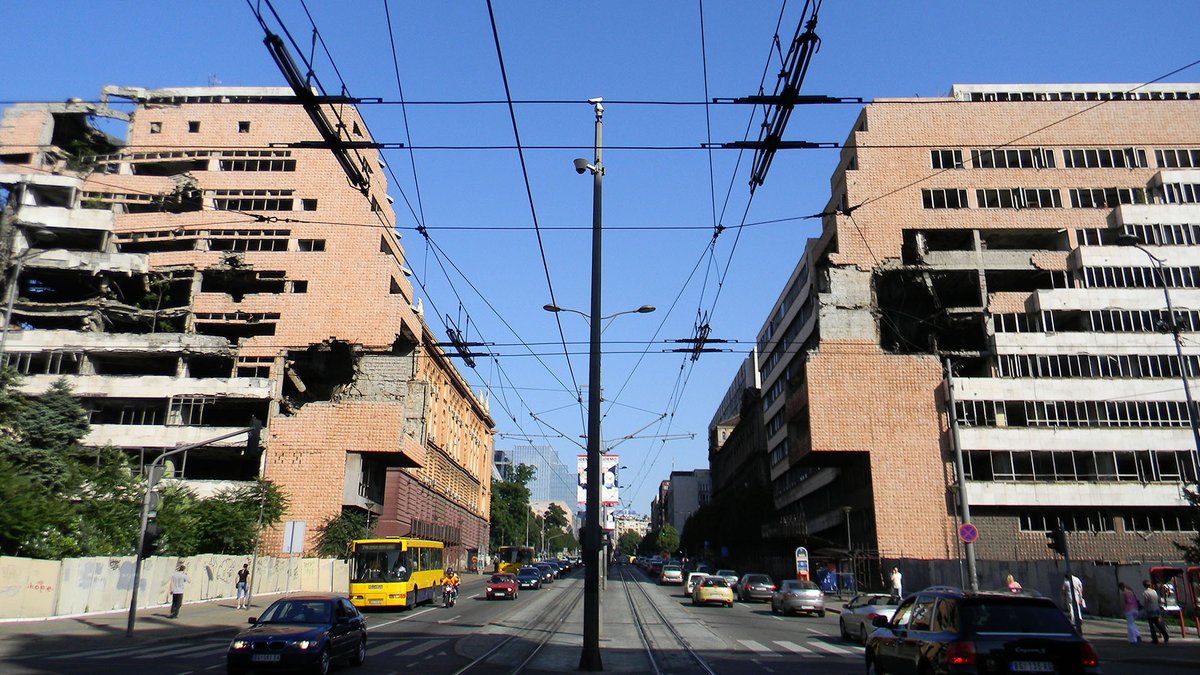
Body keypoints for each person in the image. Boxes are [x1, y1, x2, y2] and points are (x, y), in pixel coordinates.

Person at [1142, 580, 1170, 644]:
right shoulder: (1154, 591)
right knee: (1157, 624)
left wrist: (1144, 609)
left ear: (1144, 586)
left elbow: (1146, 602)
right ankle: (1165, 635)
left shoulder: (1145, 593)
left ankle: (1155, 639)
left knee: (1151, 625)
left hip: (1150, 610)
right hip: (1156, 609)